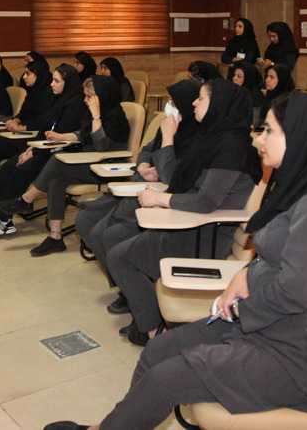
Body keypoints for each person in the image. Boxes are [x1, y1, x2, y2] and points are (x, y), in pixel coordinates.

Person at [43, 91, 307, 430]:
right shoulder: (300, 187)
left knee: (166, 379)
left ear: (300, 137)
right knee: (158, 351)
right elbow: (278, 257)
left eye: (270, 130)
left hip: (299, 357)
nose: (259, 138)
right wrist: (245, 273)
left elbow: (295, 291)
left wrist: (240, 309)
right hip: (272, 326)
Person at [108, 79, 262, 346]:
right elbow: (176, 177)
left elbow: (205, 202)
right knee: (119, 251)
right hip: (188, 224)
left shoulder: (232, 149)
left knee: (120, 258)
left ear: (218, 105)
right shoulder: (212, 138)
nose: (193, 103)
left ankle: (151, 330)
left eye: (200, 98)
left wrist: (160, 198)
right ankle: (150, 321)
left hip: (205, 235)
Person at [77, 79, 202, 316]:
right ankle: (127, 288)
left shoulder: (195, 136)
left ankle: (132, 292)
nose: (169, 106)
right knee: (87, 223)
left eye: (174, 102)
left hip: (160, 201)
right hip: (139, 187)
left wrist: (168, 138)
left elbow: (170, 174)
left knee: (107, 234)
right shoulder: (168, 127)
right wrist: (144, 166)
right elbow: (146, 151)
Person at [0, 75, 130, 256]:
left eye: (89, 96)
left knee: (58, 159)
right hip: (89, 162)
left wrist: (96, 114)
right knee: (56, 180)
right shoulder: (94, 113)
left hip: (107, 168)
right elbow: (83, 134)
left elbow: (100, 145)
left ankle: (27, 199)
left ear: (102, 96)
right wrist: (61, 137)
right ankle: (55, 237)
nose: (85, 100)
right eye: (85, 96)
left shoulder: (116, 117)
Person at [0, 63, 84, 233]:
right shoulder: (56, 98)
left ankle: (3, 220)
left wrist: (34, 151)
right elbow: (44, 130)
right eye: (52, 80)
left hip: (61, 153)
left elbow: (60, 137)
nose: (51, 84)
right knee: (8, 166)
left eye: (56, 81)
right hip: (45, 147)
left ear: (67, 82)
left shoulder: (75, 103)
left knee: (21, 169)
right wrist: (31, 149)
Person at [228, 61, 268, 129]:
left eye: (239, 76)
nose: (234, 78)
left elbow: (254, 122)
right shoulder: (234, 94)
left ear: (248, 79)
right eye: (234, 75)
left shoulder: (255, 97)